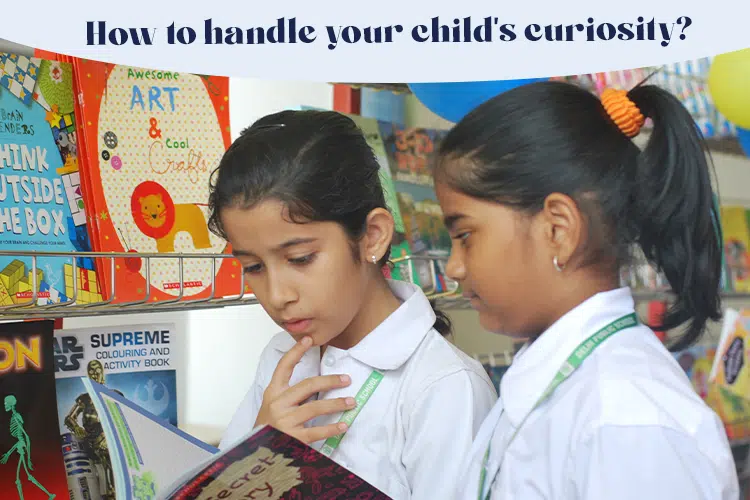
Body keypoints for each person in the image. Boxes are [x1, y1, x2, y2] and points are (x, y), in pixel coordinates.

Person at [432, 80, 739, 499]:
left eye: (465, 235)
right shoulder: (571, 388)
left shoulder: (626, 421)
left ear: (558, 229)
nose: (454, 266)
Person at [209, 109, 497, 499]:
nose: (278, 296)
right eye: (254, 267)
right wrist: (259, 452)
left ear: (373, 236)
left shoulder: (444, 387)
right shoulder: (282, 357)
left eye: (300, 259)